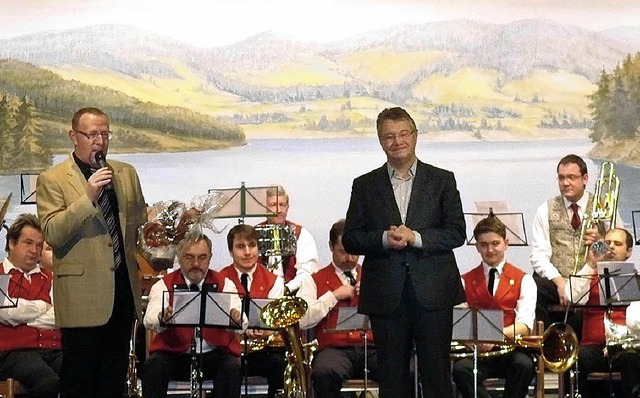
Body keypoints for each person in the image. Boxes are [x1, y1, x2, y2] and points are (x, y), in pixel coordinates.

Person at [343, 107, 466, 398]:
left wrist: (418, 238)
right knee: (391, 378)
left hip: (434, 292)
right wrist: (384, 239)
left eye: (403, 134)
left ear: (415, 136)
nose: (397, 141)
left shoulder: (442, 180)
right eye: (389, 136)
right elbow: (351, 239)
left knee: (437, 376)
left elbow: (457, 232)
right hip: (386, 295)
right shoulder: (364, 185)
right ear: (380, 141)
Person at [36, 107, 147, 397]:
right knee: (79, 382)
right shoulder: (53, 179)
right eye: (92, 134)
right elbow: (52, 232)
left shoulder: (125, 173)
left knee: (113, 381)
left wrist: (171, 229)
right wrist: (87, 197)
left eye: (105, 134)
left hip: (122, 292)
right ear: (74, 137)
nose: (99, 141)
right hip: (81, 298)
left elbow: (140, 227)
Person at [143, 233, 242, 398]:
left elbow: (242, 322)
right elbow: (149, 319)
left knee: (232, 367)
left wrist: (236, 319)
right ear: (179, 258)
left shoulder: (225, 283)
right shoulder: (163, 285)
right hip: (174, 356)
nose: (196, 264)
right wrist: (162, 317)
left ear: (210, 258)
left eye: (202, 258)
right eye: (189, 257)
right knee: (153, 366)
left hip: (213, 355)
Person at [452, 216, 536, 398]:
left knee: (524, 365)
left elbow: (525, 325)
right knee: (460, 369)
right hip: (478, 354)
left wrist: (494, 335)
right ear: (477, 247)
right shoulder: (463, 280)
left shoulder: (525, 280)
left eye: (495, 243)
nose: (490, 250)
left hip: (509, 350)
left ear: (506, 243)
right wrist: (469, 341)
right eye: (483, 245)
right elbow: (460, 323)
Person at [298, 218, 378, 398]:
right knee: (324, 373)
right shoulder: (313, 280)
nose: (350, 258)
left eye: (354, 252)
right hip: (335, 350)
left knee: (405, 370)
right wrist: (333, 296)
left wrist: (374, 294)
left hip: (373, 347)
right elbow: (303, 319)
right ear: (331, 247)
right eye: (343, 251)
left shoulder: (375, 276)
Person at [566, 228, 640, 398]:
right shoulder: (589, 277)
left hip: (625, 347)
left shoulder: (636, 280)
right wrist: (591, 263)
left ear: (628, 252)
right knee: (579, 358)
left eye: (618, 244)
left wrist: (618, 342)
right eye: (607, 243)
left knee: (632, 360)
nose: (611, 247)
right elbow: (571, 296)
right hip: (592, 347)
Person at [530, 154, 601, 328]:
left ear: (585, 179)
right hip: (557, 282)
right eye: (561, 178)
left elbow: (619, 248)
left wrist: (600, 241)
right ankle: (546, 345)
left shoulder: (602, 207)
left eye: (571, 177)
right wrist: (559, 281)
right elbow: (538, 256)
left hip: (591, 281)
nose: (565, 183)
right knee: (533, 285)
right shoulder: (545, 209)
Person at [218, 224, 286, 398]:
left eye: (252, 245)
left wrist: (266, 330)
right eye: (241, 247)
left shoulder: (275, 281)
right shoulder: (220, 279)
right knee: (227, 368)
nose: (248, 252)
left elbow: (275, 319)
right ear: (230, 251)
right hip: (230, 351)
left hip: (264, 351)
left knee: (280, 364)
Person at [0, 214, 62, 397]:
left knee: (84, 373)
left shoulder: (51, 277)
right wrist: (44, 307)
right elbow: (5, 313)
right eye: (28, 243)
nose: (34, 250)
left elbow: (61, 316)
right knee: (47, 382)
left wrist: (22, 315)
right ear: (12, 243)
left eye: (38, 245)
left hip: (54, 349)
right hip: (13, 352)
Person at [257, 185, 320, 293]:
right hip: (260, 295)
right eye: (273, 205)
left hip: (292, 295)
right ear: (264, 207)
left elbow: (308, 270)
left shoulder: (300, 234)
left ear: (288, 207)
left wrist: (286, 289)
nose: (279, 210)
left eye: (282, 205)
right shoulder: (254, 234)